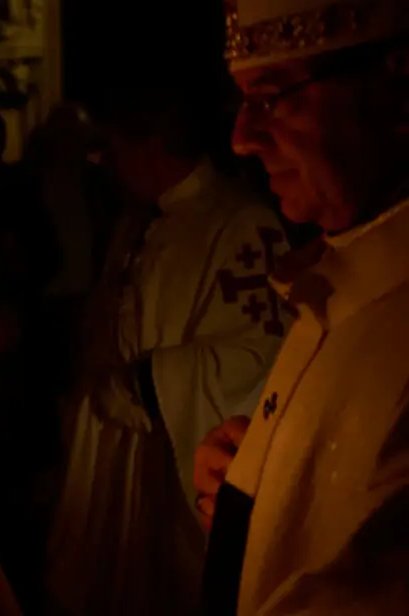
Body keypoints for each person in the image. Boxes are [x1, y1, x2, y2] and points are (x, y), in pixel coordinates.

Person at [195, 0, 409, 612]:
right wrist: (259, 479)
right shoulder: (339, 280)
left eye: (276, 94)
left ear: (397, 88)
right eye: (241, 101)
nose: (241, 137)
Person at [46, 83, 289, 614]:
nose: (105, 164)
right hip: (117, 452)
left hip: (172, 448)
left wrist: (150, 381)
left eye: (113, 149)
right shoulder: (138, 220)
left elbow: (262, 353)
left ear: (151, 144)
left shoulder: (239, 222)